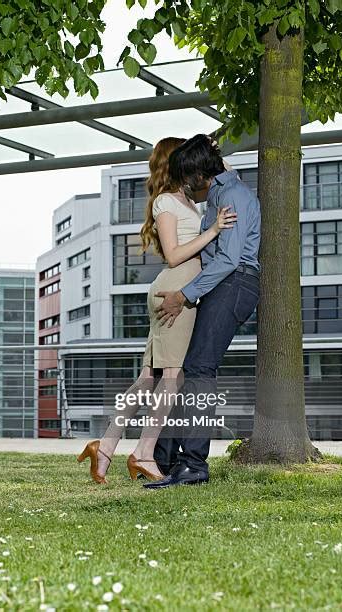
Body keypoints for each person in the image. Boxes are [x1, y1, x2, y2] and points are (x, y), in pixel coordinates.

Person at [77, 136, 237, 484]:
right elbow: (176, 253)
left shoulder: (187, 200)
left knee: (149, 378)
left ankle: (104, 447)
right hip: (176, 288)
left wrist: (211, 152)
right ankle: (144, 453)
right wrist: (212, 230)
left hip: (179, 287)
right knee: (172, 377)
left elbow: (226, 172)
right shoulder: (165, 202)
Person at [144, 134, 261, 490]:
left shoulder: (233, 196)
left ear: (198, 176)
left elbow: (228, 259)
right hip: (222, 284)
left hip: (234, 283)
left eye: (186, 178)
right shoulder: (220, 193)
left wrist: (184, 294)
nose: (184, 186)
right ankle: (173, 459)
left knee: (198, 369)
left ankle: (193, 464)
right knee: (191, 370)